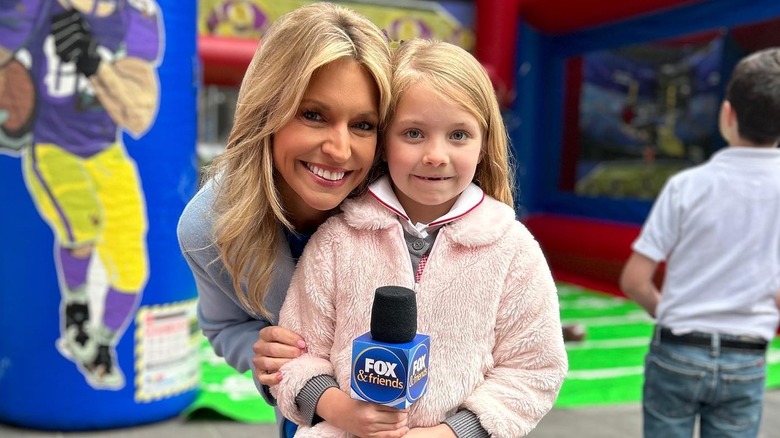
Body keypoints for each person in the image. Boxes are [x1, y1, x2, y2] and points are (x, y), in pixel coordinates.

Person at [271, 39, 568, 438]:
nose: (435, 155)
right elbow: (296, 355)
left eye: (459, 135)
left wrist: (454, 432)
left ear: (483, 145)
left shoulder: (512, 250)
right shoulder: (338, 241)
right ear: (383, 141)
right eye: (413, 133)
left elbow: (534, 368)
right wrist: (342, 411)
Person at [176, 3, 393, 437]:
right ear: (267, 113)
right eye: (313, 115)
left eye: (363, 125)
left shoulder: (408, 208)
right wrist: (258, 350)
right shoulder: (209, 228)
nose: (339, 148)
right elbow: (223, 327)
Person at [0, 0, 163, 389]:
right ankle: (76, 308)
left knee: (131, 268)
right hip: (52, 146)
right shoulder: (36, 8)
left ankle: (100, 344)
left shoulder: (137, 16)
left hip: (106, 152)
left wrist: (94, 65)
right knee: (83, 222)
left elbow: (139, 116)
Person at [619, 47, 780, 438]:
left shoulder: (686, 186)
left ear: (728, 114)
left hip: (677, 350)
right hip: (747, 356)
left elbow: (634, 281)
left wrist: (674, 312)